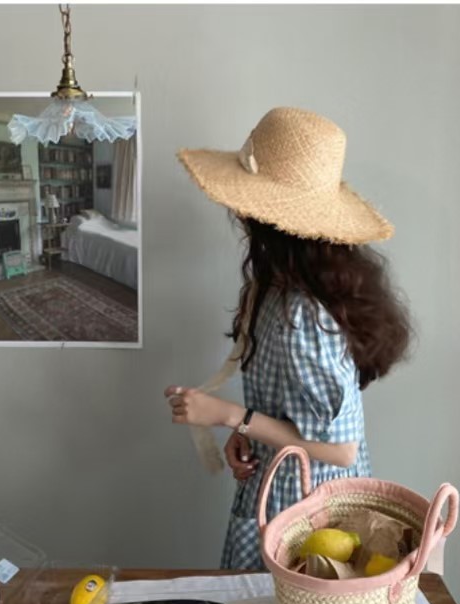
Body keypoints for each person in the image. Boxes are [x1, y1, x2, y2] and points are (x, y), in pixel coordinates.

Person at [166, 107, 412, 569]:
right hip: (286, 485)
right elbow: (298, 414)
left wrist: (229, 415)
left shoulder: (303, 314)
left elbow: (340, 449)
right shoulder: (279, 288)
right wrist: (248, 431)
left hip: (305, 510)